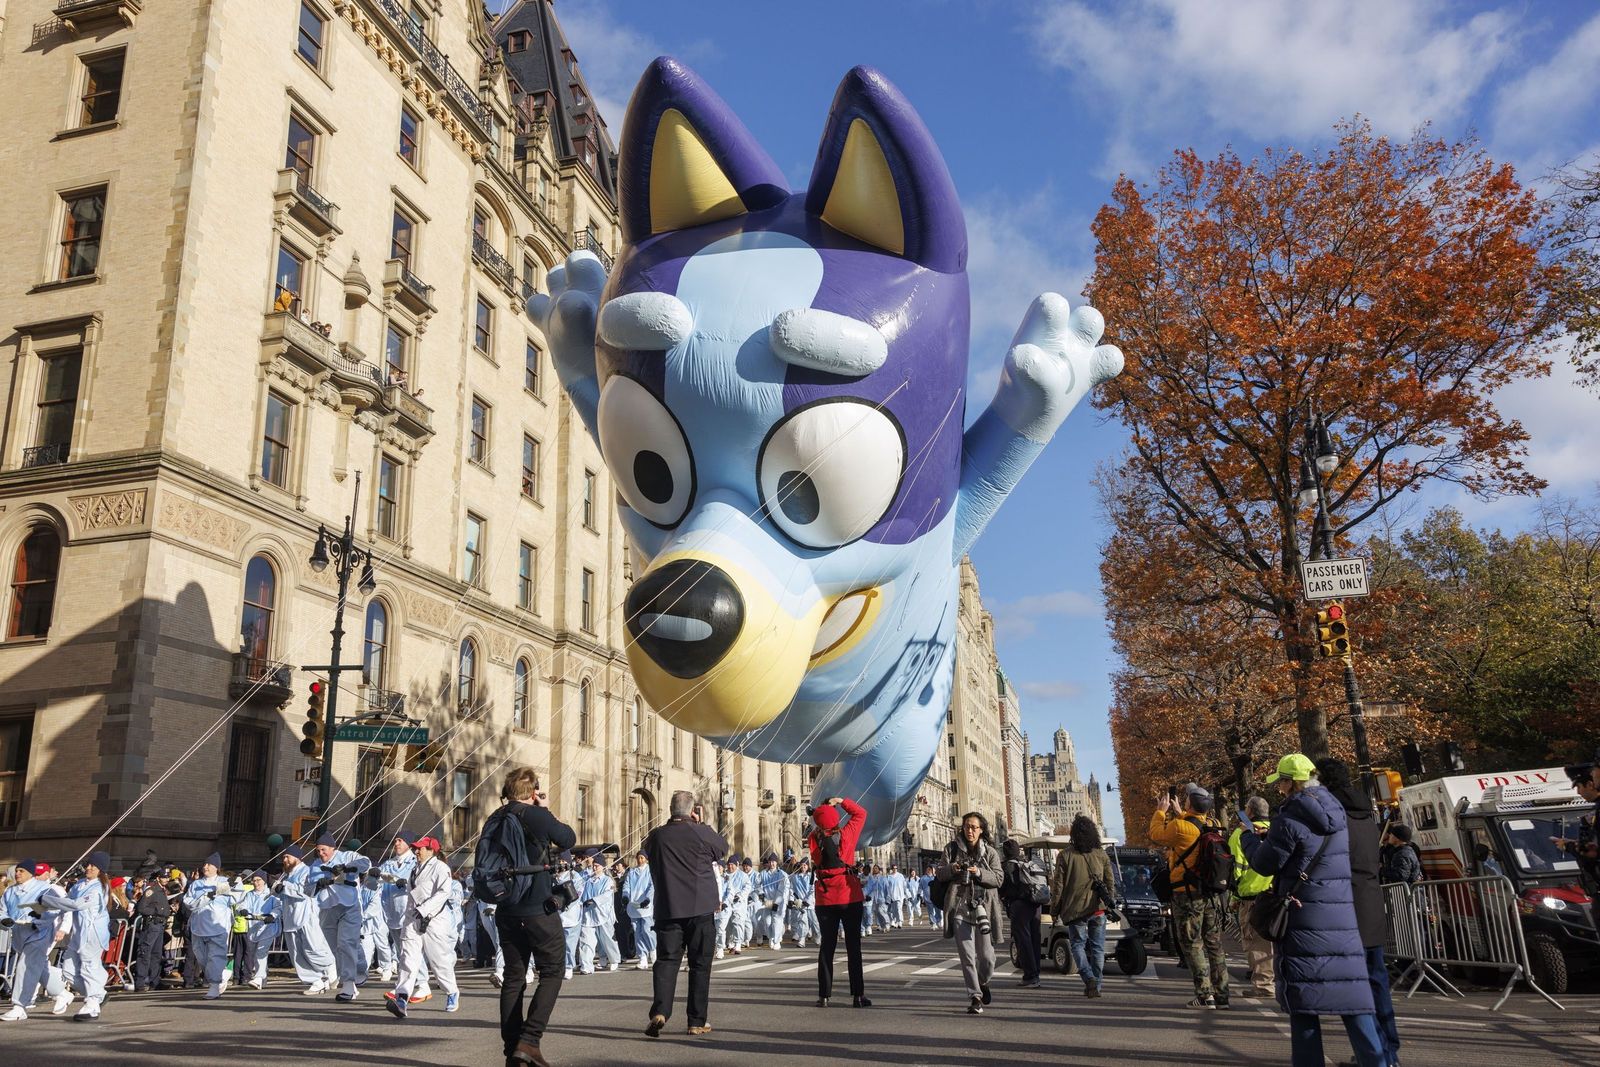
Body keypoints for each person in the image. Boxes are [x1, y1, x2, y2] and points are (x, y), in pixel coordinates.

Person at [1240, 754, 1384, 1067]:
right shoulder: (1338, 815)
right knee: (1353, 1001)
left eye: (1281, 781)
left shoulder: (1289, 817)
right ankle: (1377, 1062)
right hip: (1342, 920)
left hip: (1304, 920)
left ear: (1292, 782)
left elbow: (1266, 863)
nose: (1279, 788)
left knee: (1304, 1006)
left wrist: (1248, 839)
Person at [1317, 757, 1402, 1067]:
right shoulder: (1366, 813)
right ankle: (1387, 1051)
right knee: (1376, 980)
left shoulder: (1331, 814)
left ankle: (1373, 1054)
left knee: (1354, 987)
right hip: (1369, 902)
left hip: (1345, 906)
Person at [490, 767, 576, 1067]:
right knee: (552, 971)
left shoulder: (496, 817)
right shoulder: (536, 816)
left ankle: (511, 1050)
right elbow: (567, 838)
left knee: (514, 978)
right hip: (537, 908)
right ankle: (530, 1041)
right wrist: (544, 808)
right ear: (531, 791)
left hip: (506, 908)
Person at [642, 792, 729, 1038]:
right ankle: (696, 1021)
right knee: (700, 965)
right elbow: (722, 849)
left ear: (670, 810)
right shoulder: (699, 831)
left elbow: (648, 850)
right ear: (692, 810)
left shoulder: (657, 836)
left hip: (668, 908)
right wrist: (700, 824)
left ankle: (660, 1012)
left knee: (667, 962)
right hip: (700, 907)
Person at [1150, 784, 1231, 1008]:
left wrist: (1161, 811)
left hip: (1187, 894)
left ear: (1189, 804)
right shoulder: (1213, 825)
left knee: (1192, 944)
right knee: (1214, 943)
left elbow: (1156, 834)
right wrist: (1181, 812)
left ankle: (1205, 995)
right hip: (1210, 894)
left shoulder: (1180, 827)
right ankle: (1222, 994)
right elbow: (1193, 824)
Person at [383, 835, 459, 1017]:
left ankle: (451, 992)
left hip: (433, 920)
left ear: (431, 850)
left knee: (438, 960)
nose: (417, 851)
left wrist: (425, 910)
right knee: (407, 959)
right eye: (416, 848)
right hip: (412, 919)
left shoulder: (441, 868)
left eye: (420, 848)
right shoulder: (415, 869)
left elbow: (444, 893)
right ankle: (401, 998)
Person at [935, 811, 1003, 1015]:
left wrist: (979, 872)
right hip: (960, 908)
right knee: (967, 956)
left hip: (984, 909)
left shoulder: (990, 852)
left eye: (974, 827)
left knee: (987, 957)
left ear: (981, 830)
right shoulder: (951, 849)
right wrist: (953, 868)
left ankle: (983, 982)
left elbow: (999, 879)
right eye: (967, 827)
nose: (970, 831)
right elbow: (939, 873)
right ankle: (975, 997)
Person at [810, 796, 871, 1008]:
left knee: (827, 946)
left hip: (825, 898)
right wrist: (841, 801)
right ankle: (858, 995)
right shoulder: (846, 834)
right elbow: (861, 813)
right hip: (849, 895)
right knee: (854, 946)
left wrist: (824, 810)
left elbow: (820, 822)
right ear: (836, 817)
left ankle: (824, 995)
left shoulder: (813, 838)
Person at [41, 851, 113, 1020]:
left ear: (100, 870)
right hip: (77, 934)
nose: (88, 868)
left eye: (92, 866)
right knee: (68, 971)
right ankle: (98, 994)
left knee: (89, 967)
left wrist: (46, 900)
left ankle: (92, 1004)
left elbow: (76, 904)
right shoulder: (80, 884)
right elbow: (65, 902)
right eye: (88, 864)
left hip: (92, 934)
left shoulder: (99, 888)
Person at [1051, 814, 1114, 997]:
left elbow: (1058, 887)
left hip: (1074, 908)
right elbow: (1110, 882)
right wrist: (1109, 903)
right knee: (1098, 947)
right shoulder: (1101, 854)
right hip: (1098, 907)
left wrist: (1055, 910)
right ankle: (1097, 985)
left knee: (1077, 945)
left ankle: (1089, 978)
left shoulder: (1065, 855)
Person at [307, 832, 372, 1001]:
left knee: (346, 943)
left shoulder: (347, 855)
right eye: (318, 850)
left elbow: (366, 863)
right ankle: (355, 974)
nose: (321, 853)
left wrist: (345, 867)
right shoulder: (314, 865)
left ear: (332, 848)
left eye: (324, 849)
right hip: (327, 910)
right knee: (336, 947)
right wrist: (318, 884)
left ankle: (349, 985)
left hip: (349, 907)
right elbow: (307, 888)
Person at [1, 861, 65, 1021]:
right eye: (17, 871)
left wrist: (40, 918)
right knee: (40, 967)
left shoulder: (45, 889)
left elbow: (57, 909)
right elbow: (2, 910)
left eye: (21, 871)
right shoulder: (10, 891)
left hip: (39, 933)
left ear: (30, 873)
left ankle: (19, 1006)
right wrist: (5, 920)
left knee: (25, 965)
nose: (17, 874)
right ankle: (62, 993)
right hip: (19, 933)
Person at [1229, 796, 1276, 998]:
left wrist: (1235, 895)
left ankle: (1264, 986)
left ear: (1249, 812)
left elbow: (1236, 867)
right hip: (1277, 891)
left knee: (1256, 942)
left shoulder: (1241, 833)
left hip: (1252, 894)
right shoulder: (1277, 829)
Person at [273, 846, 337, 994]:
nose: (285, 860)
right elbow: (282, 895)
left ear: (297, 857)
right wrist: (277, 890)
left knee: (313, 948)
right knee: (297, 954)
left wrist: (284, 887)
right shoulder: (286, 875)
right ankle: (316, 981)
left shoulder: (307, 871)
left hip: (305, 916)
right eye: (283, 857)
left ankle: (329, 967)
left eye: (287, 857)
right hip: (290, 918)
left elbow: (305, 892)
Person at [377, 832, 431, 999]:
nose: (396, 843)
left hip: (409, 913)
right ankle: (406, 984)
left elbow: (422, 884)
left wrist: (404, 882)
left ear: (409, 844)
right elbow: (376, 882)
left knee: (411, 951)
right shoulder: (388, 863)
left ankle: (421, 984)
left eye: (400, 840)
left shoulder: (415, 862)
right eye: (395, 840)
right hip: (392, 912)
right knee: (402, 952)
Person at [182, 852, 236, 999]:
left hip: (218, 926)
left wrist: (234, 885)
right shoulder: (196, 884)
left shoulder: (225, 882)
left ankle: (214, 985)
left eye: (209, 864)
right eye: (204, 864)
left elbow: (239, 896)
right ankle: (221, 973)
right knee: (201, 958)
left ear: (216, 867)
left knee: (215, 956)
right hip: (199, 927)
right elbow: (188, 902)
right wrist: (207, 896)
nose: (205, 867)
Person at [999, 839, 1043, 989]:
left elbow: (1001, 888)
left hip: (1019, 905)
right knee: (1035, 939)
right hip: (1036, 904)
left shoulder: (1006, 866)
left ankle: (1030, 976)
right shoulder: (1028, 863)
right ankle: (1036, 972)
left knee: (1023, 941)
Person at [577, 850, 620, 973]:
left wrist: (594, 900)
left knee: (607, 939)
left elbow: (607, 894)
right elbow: (581, 893)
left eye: (597, 866)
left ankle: (614, 960)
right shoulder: (588, 881)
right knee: (586, 940)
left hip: (603, 914)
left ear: (603, 867)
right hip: (588, 915)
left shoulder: (607, 880)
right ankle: (586, 966)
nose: (595, 868)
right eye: (594, 865)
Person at [238, 871, 280, 989]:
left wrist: (272, 915)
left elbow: (278, 907)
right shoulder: (249, 894)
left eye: (258, 880)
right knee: (254, 953)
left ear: (264, 881)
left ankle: (258, 977)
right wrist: (243, 910)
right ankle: (263, 980)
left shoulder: (271, 895)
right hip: (253, 927)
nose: (256, 883)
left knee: (261, 952)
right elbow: (242, 905)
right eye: (254, 880)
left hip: (268, 927)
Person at [132, 873, 170, 992]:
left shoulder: (163, 891)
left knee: (156, 954)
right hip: (152, 924)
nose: (166, 879)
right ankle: (140, 983)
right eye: (163, 877)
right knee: (145, 952)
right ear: (158, 878)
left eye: (167, 877)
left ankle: (155, 981)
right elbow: (141, 908)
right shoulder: (152, 890)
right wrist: (156, 911)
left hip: (160, 924)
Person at [623, 851, 656, 971]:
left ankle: (653, 950)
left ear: (646, 859)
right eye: (638, 858)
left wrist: (648, 899)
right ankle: (642, 956)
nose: (640, 860)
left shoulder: (650, 871)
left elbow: (652, 886)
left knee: (647, 930)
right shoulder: (632, 872)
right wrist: (625, 896)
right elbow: (627, 886)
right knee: (637, 932)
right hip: (634, 905)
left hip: (645, 906)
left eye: (642, 858)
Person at [754, 853, 790, 950]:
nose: (772, 863)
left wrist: (776, 903)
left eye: (774, 862)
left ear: (776, 863)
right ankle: (771, 937)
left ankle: (777, 941)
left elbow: (781, 891)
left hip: (778, 903)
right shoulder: (763, 873)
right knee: (767, 921)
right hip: (767, 902)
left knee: (776, 921)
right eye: (770, 862)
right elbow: (757, 884)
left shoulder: (782, 874)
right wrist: (761, 895)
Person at [555, 854, 581, 979]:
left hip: (571, 916)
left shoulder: (575, 876)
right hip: (557, 916)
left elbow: (578, 895)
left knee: (570, 944)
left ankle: (569, 967)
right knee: (558, 944)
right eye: (560, 860)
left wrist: (566, 904)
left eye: (564, 861)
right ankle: (560, 966)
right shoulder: (554, 876)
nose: (561, 863)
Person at [787, 859, 817, 948]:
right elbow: (791, 889)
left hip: (810, 903)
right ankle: (802, 939)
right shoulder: (795, 877)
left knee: (814, 921)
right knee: (802, 920)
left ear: (808, 866)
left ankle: (818, 936)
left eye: (805, 865)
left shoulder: (812, 876)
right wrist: (791, 899)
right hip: (799, 902)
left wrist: (807, 900)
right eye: (802, 865)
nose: (803, 867)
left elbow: (812, 890)